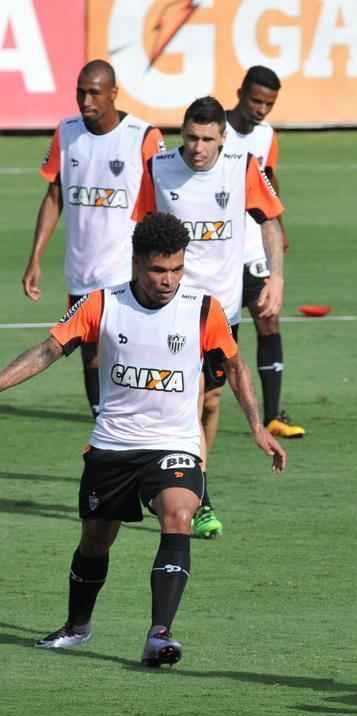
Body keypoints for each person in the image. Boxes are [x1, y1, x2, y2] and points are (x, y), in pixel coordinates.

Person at [0, 212, 286, 665]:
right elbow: (48, 349)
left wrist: (256, 426)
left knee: (179, 514)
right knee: (96, 541)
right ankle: (77, 626)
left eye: (177, 268)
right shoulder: (101, 303)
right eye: (158, 270)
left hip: (174, 444)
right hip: (113, 444)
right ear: (136, 263)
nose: (168, 280)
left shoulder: (203, 309)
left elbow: (234, 367)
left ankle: (159, 634)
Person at [132, 95, 286, 538]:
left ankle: (185, 484)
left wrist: (275, 278)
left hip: (222, 309)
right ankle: (197, 496)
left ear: (222, 138)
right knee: (187, 399)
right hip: (172, 305)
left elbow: (269, 221)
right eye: (191, 138)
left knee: (211, 401)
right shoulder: (159, 169)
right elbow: (140, 233)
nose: (197, 148)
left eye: (207, 139)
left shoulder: (243, 166)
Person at [22, 60, 164, 417]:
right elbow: (54, 196)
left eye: (94, 93)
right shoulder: (66, 131)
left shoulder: (143, 137)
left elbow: (161, 203)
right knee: (90, 351)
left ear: (113, 93)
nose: (85, 101)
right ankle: (104, 418)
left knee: (127, 346)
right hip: (80, 269)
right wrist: (35, 258)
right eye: (80, 92)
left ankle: (140, 414)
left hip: (124, 268)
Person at [224, 65, 303, 439]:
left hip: (254, 246)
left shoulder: (266, 135)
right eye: (255, 101)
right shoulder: (214, 130)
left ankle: (273, 415)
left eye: (268, 104)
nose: (260, 110)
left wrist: (279, 228)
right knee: (219, 338)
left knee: (268, 320)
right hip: (219, 248)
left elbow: (268, 178)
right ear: (240, 93)